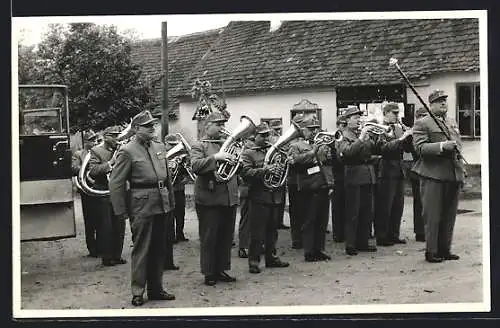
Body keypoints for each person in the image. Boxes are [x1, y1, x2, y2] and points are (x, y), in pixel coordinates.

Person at [109, 110, 176, 306]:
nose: (152, 129)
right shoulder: (127, 150)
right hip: (142, 204)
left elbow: (167, 178)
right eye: (147, 126)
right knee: (142, 249)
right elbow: (116, 183)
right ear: (136, 129)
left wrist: (170, 202)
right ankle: (138, 291)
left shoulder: (159, 146)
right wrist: (120, 211)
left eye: (152, 126)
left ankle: (156, 289)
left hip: (161, 203)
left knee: (159, 248)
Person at [412, 90, 465, 263]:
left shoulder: (451, 122)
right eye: (438, 101)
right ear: (431, 104)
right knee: (433, 215)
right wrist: (442, 145)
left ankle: (445, 249)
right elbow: (419, 149)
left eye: (445, 100)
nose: (443, 103)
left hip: (452, 173)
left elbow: (458, 146)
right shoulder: (422, 123)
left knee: (449, 215)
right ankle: (431, 251)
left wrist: (461, 168)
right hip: (433, 173)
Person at [190, 112, 239, 286]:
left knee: (226, 236)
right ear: (207, 125)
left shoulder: (225, 144)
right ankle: (209, 272)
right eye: (218, 125)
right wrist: (215, 158)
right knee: (210, 236)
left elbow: (237, 167)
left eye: (223, 124)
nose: (222, 128)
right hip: (209, 198)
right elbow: (195, 165)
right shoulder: (199, 145)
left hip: (228, 197)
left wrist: (235, 160)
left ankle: (221, 269)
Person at [240, 122, 290, 273]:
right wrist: (265, 170)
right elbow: (246, 173)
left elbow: (282, 169)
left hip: (274, 195)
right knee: (257, 232)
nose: (267, 137)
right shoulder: (248, 153)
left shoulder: (274, 151)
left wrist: (282, 166)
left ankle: (271, 257)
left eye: (268, 134)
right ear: (255, 137)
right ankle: (254, 262)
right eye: (263, 135)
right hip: (258, 196)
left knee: (272, 230)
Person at [288, 115, 334, 262]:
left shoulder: (320, 144)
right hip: (308, 186)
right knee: (309, 220)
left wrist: (328, 148)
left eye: (315, 128)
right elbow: (296, 162)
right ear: (303, 130)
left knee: (322, 220)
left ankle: (319, 249)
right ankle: (309, 251)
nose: (314, 132)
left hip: (322, 184)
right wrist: (313, 152)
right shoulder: (296, 145)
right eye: (310, 129)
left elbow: (327, 161)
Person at [336, 106, 378, 256]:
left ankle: (363, 242)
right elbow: (347, 152)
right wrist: (361, 139)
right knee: (353, 211)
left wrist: (370, 139)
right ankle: (351, 244)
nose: (358, 120)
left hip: (367, 175)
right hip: (354, 176)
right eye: (355, 117)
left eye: (359, 117)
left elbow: (370, 151)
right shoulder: (343, 135)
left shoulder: (359, 134)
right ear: (347, 120)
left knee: (367, 211)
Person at [374, 103, 413, 247]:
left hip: (398, 169)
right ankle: (382, 236)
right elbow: (383, 148)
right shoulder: (380, 129)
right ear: (385, 113)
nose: (397, 115)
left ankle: (394, 234)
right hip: (386, 169)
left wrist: (409, 136)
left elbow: (408, 149)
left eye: (398, 112)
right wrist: (402, 138)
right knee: (385, 205)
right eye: (394, 113)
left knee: (398, 205)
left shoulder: (398, 128)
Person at [87, 125, 126, 267]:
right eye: (113, 136)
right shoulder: (96, 151)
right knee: (105, 227)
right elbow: (93, 171)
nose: (117, 138)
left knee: (120, 226)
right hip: (103, 192)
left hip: (119, 192)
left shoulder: (122, 149)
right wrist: (110, 163)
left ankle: (117, 255)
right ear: (105, 137)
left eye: (118, 135)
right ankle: (107, 257)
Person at [71, 130, 100, 257]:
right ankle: (92, 249)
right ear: (85, 142)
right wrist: (86, 167)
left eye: (95, 140)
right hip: (86, 190)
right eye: (91, 140)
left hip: (98, 188)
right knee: (89, 220)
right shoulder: (79, 154)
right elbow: (73, 168)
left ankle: (101, 247)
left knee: (101, 219)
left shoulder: (99, 152)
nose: (94, 142)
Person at [407, 107, 428, 242]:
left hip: (429, 171)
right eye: (422, 116)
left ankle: (427, 230)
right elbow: (413, 150)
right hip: (418, 169)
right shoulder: (415, 133)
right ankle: (420, 232)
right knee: (419, 203)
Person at [269, 119, 290, 230]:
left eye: (279, 128)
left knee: (281, 197)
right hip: (274, 167)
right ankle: (275, 221)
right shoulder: (271, 138)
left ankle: (279, 221)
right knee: (275, 197)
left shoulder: (281, 137)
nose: (278, 130)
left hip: (282, 167)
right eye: (276, 128)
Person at [237, 135, 256, 259]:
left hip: (254, 190)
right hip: (247, 189)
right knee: (246, 219)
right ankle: (243, 247)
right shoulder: (246, 151)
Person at [331, 119, 346, 243]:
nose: (344, 128)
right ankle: (338, 233)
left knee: (346, 204)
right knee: (337, 205)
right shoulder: (334, 138)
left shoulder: (344, 137)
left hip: (346, 174)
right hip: (337, 175)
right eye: (342, 125)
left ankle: (344, 232)